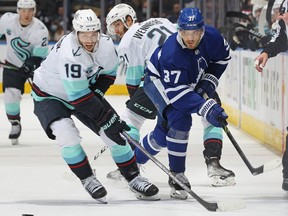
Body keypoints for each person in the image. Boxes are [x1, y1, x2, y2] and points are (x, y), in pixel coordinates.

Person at [31, 8, 160, 202]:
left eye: (93, 33)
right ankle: (88, 178)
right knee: (68, 135)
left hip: (82, 93)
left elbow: (108, 74)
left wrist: (98, 96)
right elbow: (78, 97)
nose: (90, 39)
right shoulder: (69, 54)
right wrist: (106, 118)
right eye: (84, 34)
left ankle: (134, 177)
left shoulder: (106, 44)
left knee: (115, 135)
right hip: (49, 95)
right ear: (76, 33)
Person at [105, 3, 235, 189]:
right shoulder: (158, 20)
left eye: (117, 24)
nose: (116, 30)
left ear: (128, 20)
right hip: (181, 71)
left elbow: (133, 80)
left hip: (170, 74)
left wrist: (137, 101)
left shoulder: (127, 41)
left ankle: (130, 166)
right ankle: (212, 164)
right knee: (198, 118)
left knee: (135, 119)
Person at [0, 0, 49, 145]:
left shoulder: (40, 30)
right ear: (18, 10)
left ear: (34, 11)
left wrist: (30, 66)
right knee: (10, 95)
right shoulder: (7, 20)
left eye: (29, 10)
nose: (26, 14)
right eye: (23, 10)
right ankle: (15, 123)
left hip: (33, 69)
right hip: (12, 66)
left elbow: (38, 56)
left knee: (46, 99)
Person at [254, 2, 288, 191]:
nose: (280, 16)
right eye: (280, 13)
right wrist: (266, 52)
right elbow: (279, 40)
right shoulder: (283, 23)